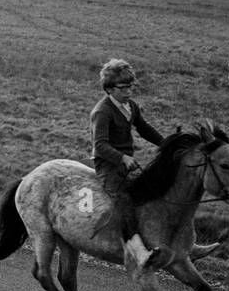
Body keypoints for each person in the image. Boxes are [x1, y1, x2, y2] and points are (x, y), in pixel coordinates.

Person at [90, 59, 218, 270]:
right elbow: (100, 145)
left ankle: (183, 245)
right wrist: (123, 158)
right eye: (123, 88)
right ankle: (138, 252)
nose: (129, 91)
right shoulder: (102, 112)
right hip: (108, 167)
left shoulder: (130, 106)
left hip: (126, 164)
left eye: (131, 87)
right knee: (125, 203)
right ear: (109, 89)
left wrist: (168, 145)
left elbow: (144, 128)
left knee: (155, 193)